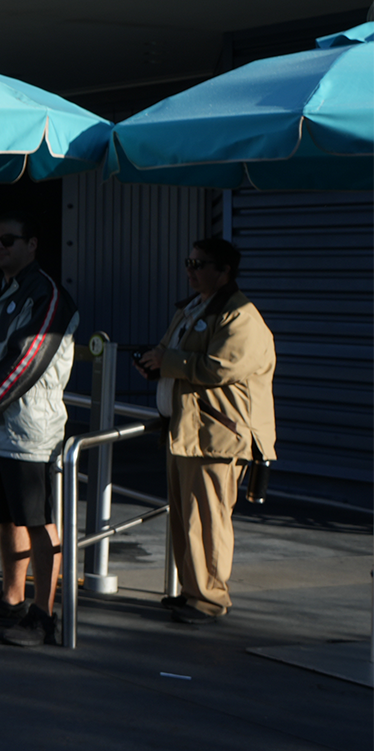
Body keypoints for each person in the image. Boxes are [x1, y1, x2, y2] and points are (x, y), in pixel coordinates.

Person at [0, 213, 79, 647]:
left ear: (32, 244)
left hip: (28, 432)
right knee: (4, 518)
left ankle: (43, 614)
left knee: (38, 520)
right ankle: (11, 598)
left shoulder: (49, 296)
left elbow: (29, 358)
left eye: (8, 239)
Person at [136, 237, 275, 625]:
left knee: (208, 521)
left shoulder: (240, 316)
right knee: (186, 518)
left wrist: (168, 361)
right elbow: (172, 354)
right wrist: (154, 364)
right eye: (189, 262)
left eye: (199, 264)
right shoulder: (193, 308)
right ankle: (192, 591)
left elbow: (220, 367)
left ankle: (210, 599)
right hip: (187, 430)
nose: (190, 270)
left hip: (216, 436)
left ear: (224, 271)